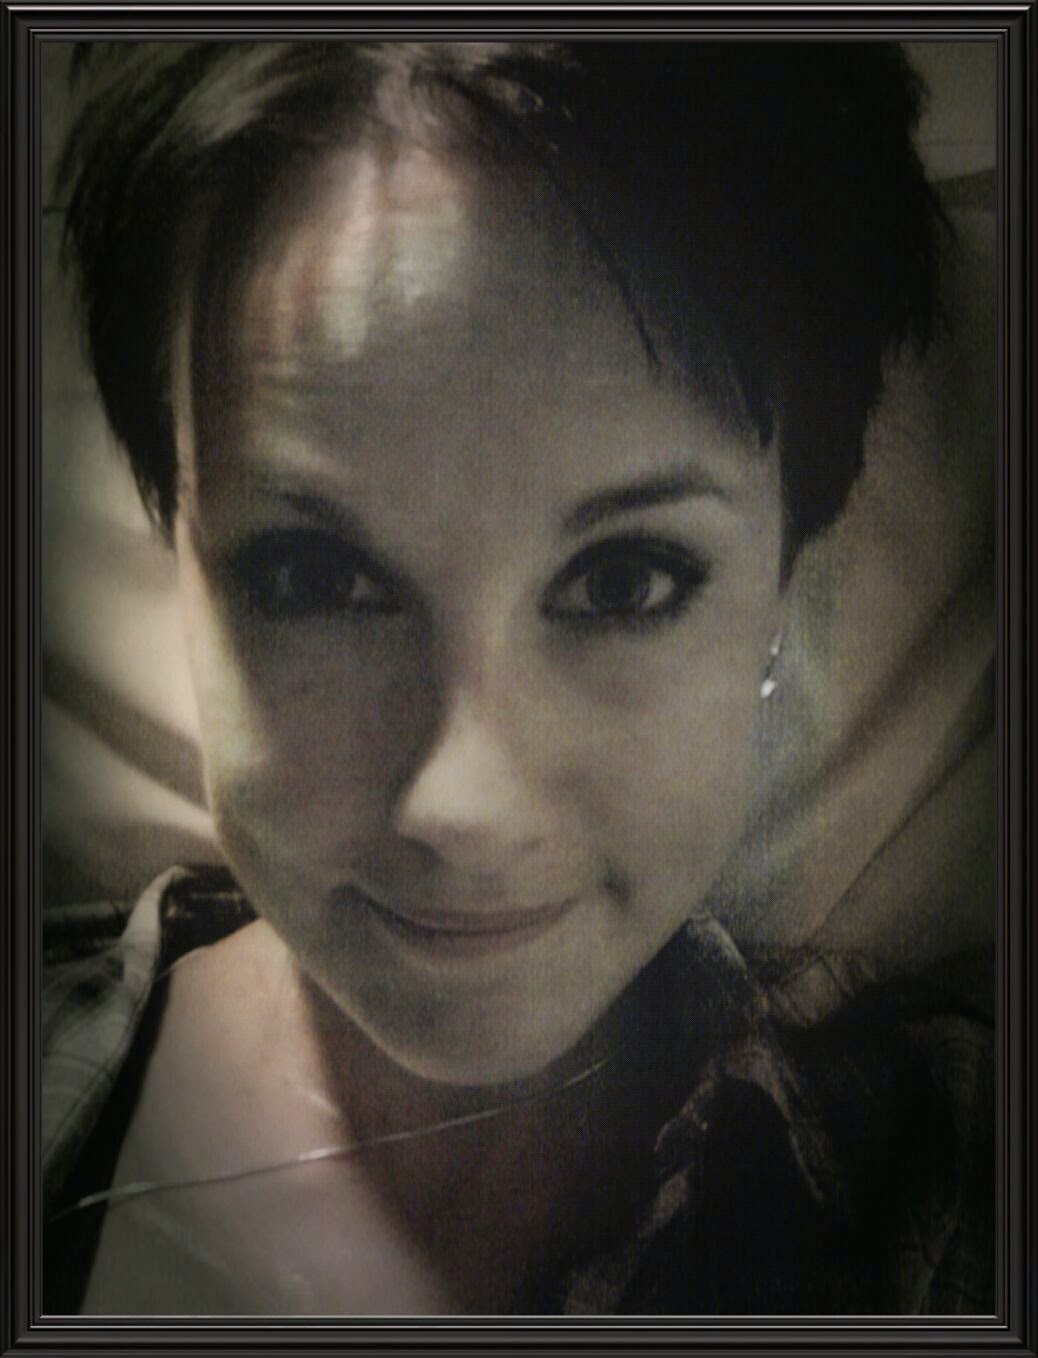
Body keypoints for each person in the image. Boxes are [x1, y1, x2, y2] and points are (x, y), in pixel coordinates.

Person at [43, 40, 993, 1315]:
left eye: (626, 580)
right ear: (185, 559)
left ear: (779, 592)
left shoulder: (954, 1187)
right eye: (314, 576)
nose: (465, 807)